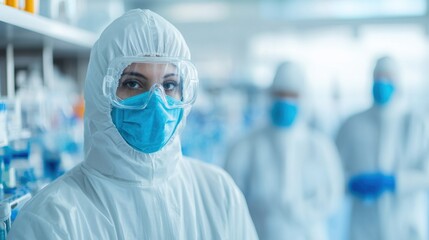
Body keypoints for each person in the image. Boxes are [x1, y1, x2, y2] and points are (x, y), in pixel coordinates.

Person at [8, 9, 258, 239]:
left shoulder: (218, 195)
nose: (156, 102)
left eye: (169, 85)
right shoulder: (53, 221)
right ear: (100, 93)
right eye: (133, 84)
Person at [224, 61, 344, 240]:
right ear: (269, 96)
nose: (284, 101)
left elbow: (333, 195)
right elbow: (229, 196)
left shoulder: (319, 147)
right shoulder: (246, 145)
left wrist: (302, 212)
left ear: (304, 99)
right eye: (279, 94)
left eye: (292, 95)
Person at [335, 56, 429, 240]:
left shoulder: (417, 124)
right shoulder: (352, 124)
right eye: (377, 78)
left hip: (405, 224)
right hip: (364, 226)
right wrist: (349, 183)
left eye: (387, 78)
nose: (381, 83)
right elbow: (332, 173)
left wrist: (395, 182)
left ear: (398, 82)